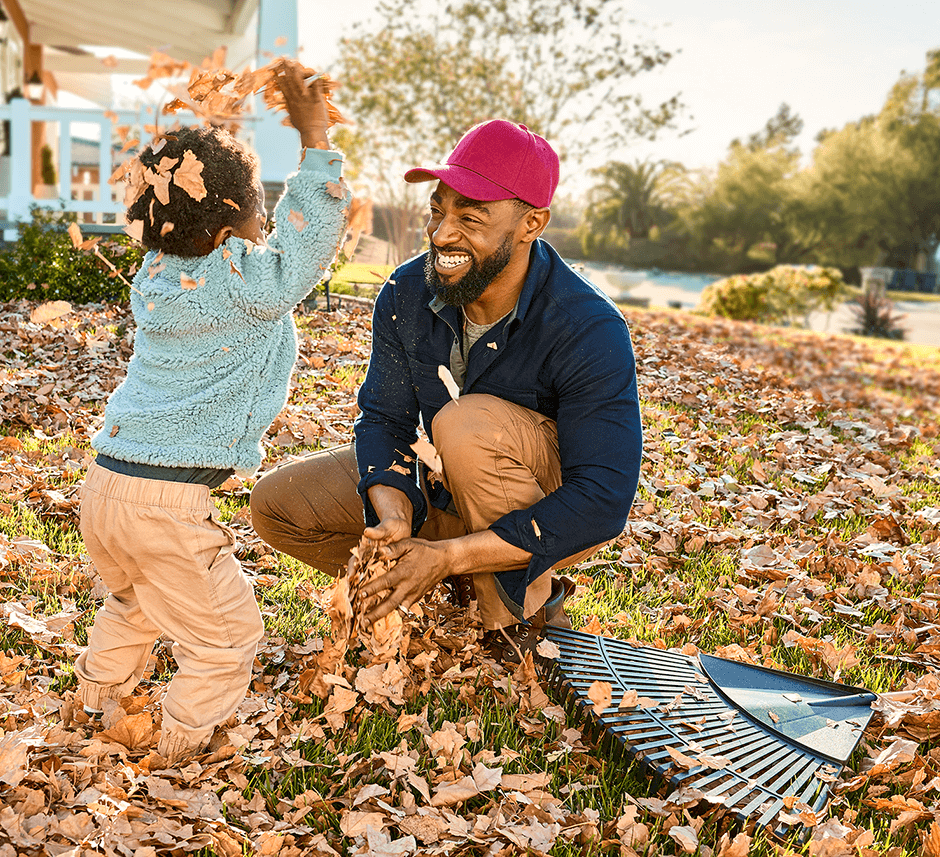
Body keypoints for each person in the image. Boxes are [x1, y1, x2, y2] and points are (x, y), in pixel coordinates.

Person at [250, 119, 641, 662]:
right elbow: (383, 417)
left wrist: (452, 554)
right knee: (278, 504)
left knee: (464, 421)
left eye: (470, 217)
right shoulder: (408, 292)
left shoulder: (587, 325)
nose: (441, 234)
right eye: (439, 211)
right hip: (442, 483)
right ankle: (452, 578)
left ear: (532, 223)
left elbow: (602, 500)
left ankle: (519, 615)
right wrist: (391, 514)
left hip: (547, 504)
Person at [74, 61, 349, 763]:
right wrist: (314, 144)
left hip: (105, 486)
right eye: (258, 209)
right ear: (231, 229)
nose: (267, 221)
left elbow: (201, 221)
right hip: (164, 503)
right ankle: (179, 744)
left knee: (134, 603)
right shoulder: (242, 279)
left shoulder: (154, 275)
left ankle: (95, 702)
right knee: (226, 638)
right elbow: (306, 244)